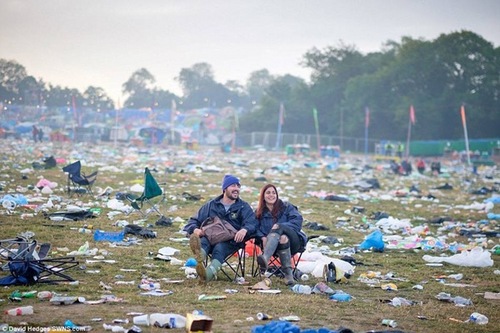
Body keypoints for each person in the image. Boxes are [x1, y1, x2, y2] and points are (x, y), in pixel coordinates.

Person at [183, 174, 258, 282]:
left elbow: (252, 223)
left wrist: (244, 229)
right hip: (210, 237)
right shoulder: (211, 205)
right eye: (233, 185)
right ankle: (200, 255)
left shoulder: (243, 207)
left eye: (238, 186)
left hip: (231, 241)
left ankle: (207, 275)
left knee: (219, 249)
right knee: (203, 241)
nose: (236, 188)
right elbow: (193, 221)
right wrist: (195, 229)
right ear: (225, 188)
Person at [255, 184, 307, 285]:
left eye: (274, 193)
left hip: (294, 242)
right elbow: (254, 228)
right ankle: (288, 275)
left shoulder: (286, 207)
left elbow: (297, 221)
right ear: (263, 196)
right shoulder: (259, 213)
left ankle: (265, 257)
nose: (271, 195)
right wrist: (262, 237)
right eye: (268, 193)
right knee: (283, 238)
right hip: (272, 245)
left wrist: (279, 226)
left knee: (279, 228)